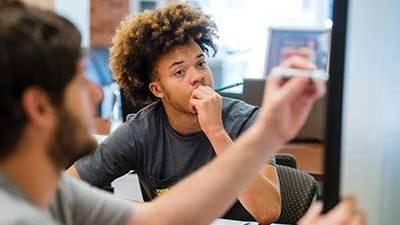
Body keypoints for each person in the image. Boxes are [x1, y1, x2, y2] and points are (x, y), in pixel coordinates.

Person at [0, 2, 366, 225]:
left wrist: (266, 130)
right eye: (80, 81)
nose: (94, 94)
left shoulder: (50, 193)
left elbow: (162, 219)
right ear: (40, 107)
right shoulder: (19, 214)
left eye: (199, 63)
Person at [67, 3, 281, 222]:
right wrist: (146, 213)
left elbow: (267, 212)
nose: (197, 76)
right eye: (179, 71)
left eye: (200, 63)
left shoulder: (247, 121)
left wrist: (217, 132)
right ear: (157, 89)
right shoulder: (142, 130)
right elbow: (64, 188)